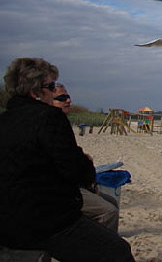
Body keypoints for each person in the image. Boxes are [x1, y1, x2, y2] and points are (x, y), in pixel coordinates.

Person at [0, 57, 134, 261]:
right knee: (118, 251)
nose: (53, 91)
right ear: (36, 91)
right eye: (50, 86)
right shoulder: (48, 117)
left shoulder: (4, 119)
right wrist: (86, 165)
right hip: (39, 220)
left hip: (3, 220)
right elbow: (76, 171)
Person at [50, 83, 121, 233]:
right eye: (62, 98)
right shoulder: (50, 125)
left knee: (112, 201)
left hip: (71, 184)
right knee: (109, 211)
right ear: (48, 100)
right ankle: (102, 247)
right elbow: (64, 165)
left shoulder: (60, 123)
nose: (68, 100)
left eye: (68, 97)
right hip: (60, 190)